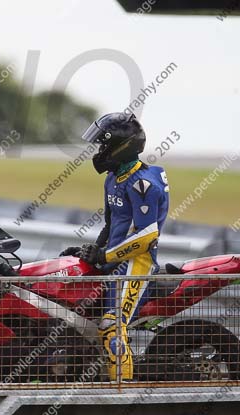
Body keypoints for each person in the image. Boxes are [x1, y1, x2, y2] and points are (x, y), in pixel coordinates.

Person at [61, 112, 169, 381]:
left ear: (121, 146)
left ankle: (123, 389)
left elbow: (147, 236)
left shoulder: (143, 185)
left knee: (111, 325)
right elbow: (111, 225)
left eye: (103, 145)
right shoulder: (112, 178)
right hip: (113, 261)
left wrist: (104, 255)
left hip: (137, 265)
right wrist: (89, 253)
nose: (99, 151)